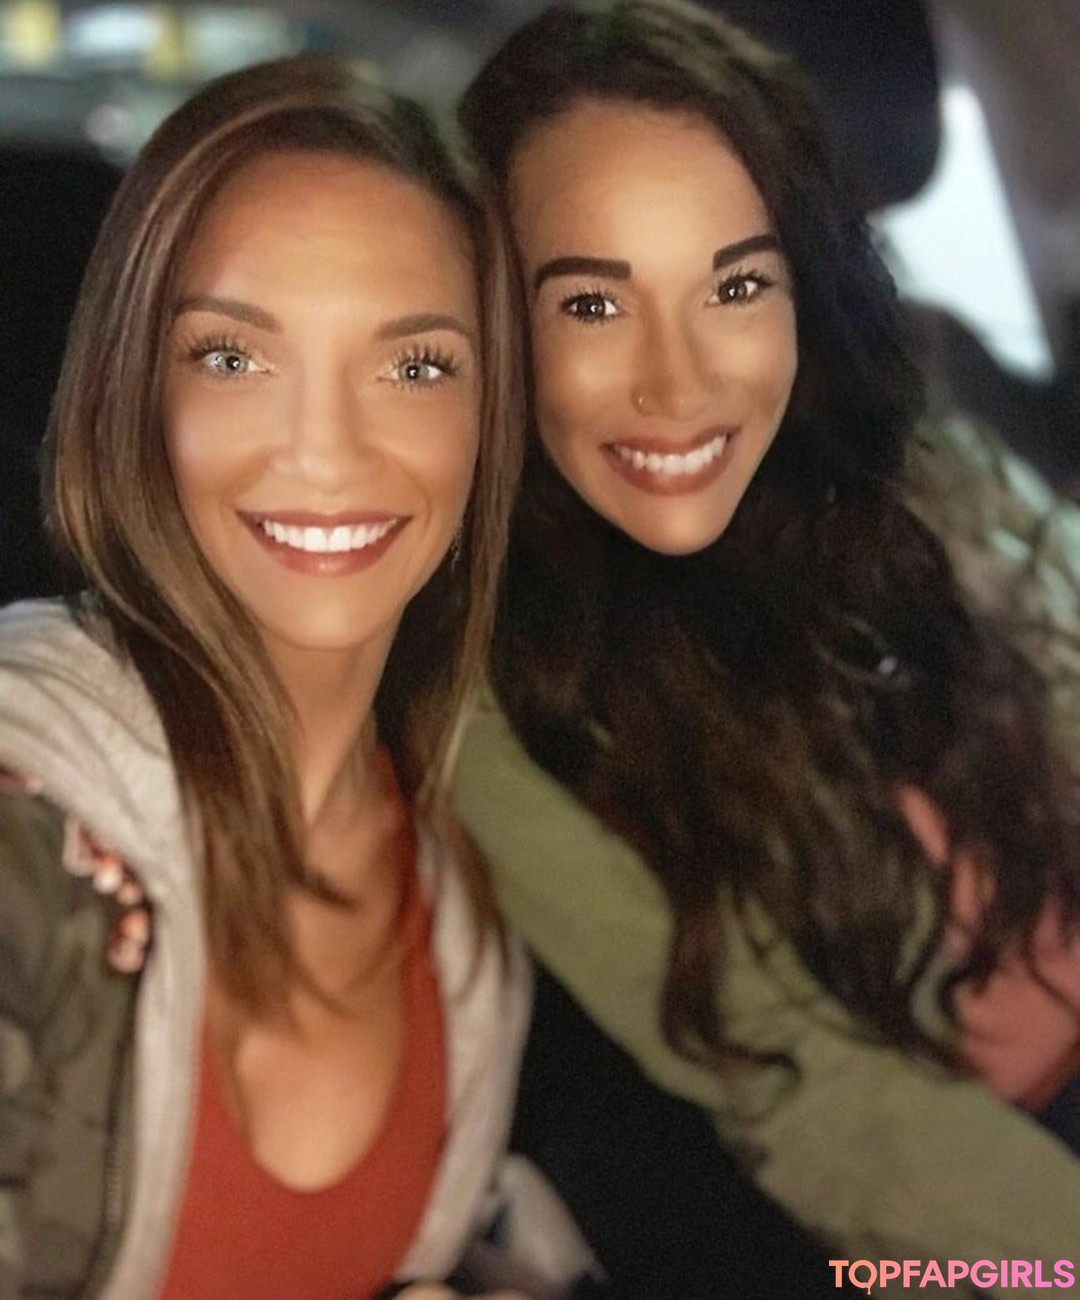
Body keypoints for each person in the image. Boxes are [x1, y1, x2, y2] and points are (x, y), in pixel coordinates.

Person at [452, 0, 1080, 1285]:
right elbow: (832, 1120)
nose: (679, 383)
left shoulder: (923, 473)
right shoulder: (501, 705)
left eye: (735, 286)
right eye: (593, 304)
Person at [0, 53, 584, 1300]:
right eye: (234, 357)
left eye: (414, 367)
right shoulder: (29, 802)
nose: (327, 452)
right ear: (135, 393)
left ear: (488, 421)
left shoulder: (470, 924)